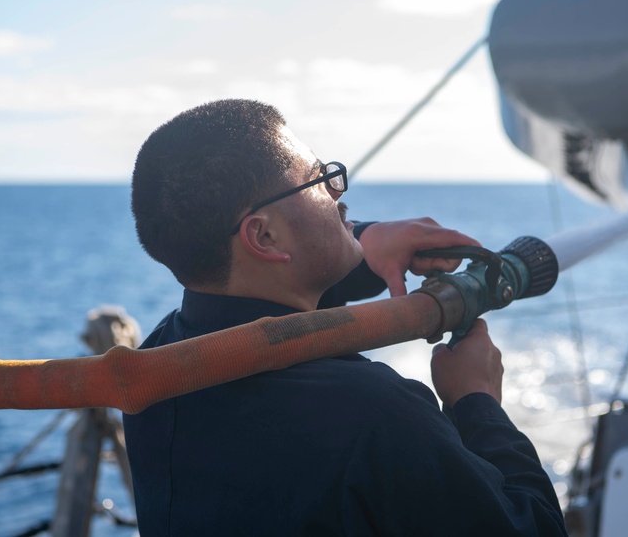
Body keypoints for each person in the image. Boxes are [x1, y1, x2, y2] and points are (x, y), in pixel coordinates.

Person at [123, 99, 567, 536]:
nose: (338, 196)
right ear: (263, 234)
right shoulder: (376, 413)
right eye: (318, 180)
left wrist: (367, 241)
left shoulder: (157, 368)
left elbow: (264, 305)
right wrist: (476, 400)